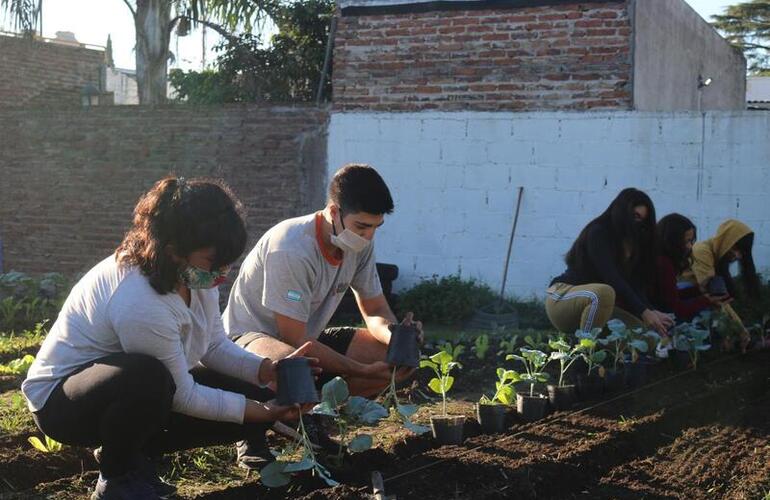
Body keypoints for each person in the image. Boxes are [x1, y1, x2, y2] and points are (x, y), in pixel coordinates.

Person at [22, 177, 314, 500]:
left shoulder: (196, 277)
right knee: (149, 379)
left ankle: (134, 455)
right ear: (173, 251)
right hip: (63, 402)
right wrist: (263, 413)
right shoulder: (139, 298)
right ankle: (117, 478)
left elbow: (214, 344)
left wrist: (265, 370)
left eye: (226, 264)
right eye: (212, 263)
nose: (221, 274)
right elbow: (183, 396)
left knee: (250, 390)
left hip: (133, 390)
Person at [223, 163, 422, 466]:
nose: (368, 237)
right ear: (333, 211)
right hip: (248, 340)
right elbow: (295, 340)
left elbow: (375, 309)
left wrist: (396, 336)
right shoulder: (291, 247)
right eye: (361, 227)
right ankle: (253, 431)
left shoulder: (359, 244)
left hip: (306, 341)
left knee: (387, 353)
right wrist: (360, 370)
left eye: (375, 228)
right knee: (292, 366)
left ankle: (308, 417)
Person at [545, 188, 674, 336]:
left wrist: (652, 311)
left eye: (642, 220)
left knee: (647, 337)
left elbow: (634, 286)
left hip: (597, 307)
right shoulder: (598, 232)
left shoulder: (633, 245)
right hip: (562, 296)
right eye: (635, 216)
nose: (637, 224)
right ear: (622, 212)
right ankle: (585, 352)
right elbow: (612, 278)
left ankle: (601, 349)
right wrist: (643, 311)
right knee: (605, 292)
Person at [680, 219, 760, 349]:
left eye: (742, 252)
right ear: (725, 241)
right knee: (712, 306)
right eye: (735, 248)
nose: (737, 256)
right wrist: (741, 330)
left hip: (696, 297)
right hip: (682, 297)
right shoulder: (702, 251)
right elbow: (715, 298)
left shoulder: (719, 257)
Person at [653, 213, 729, 321]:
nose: (690, 246)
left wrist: (698, 290)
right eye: (686, 241)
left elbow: (669, 296)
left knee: (686, 286)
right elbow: (677, 310)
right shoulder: (664, 263)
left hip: (657, 308)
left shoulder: (661, 257)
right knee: (705, 313)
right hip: (655, 318)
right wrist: (706, 301)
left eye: (691, 240)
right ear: (672, 240)